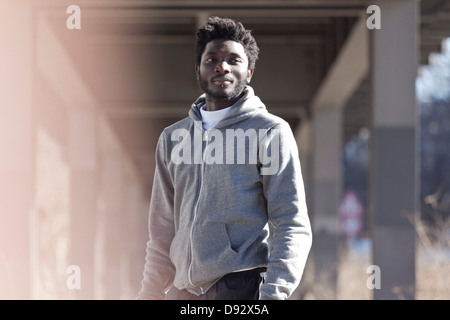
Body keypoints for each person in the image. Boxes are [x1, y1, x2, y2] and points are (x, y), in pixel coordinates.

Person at [137, 16, 312, 300]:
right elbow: (162, 232)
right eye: (212, 59)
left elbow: (290, 221)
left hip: (242, 288)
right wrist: (149, 293)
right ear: (198, 69)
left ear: (250, 71)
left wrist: (273, 295)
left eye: (233, 59)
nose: (222, 66)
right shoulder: (173, 138)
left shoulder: (269, 131)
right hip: (183, 292)